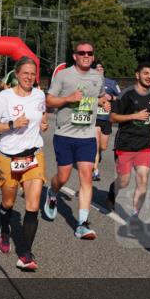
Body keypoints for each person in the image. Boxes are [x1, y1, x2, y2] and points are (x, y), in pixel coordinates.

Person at [0, 57, 49, 270]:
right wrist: (12, 124)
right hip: (8, 157)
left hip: (33, 155)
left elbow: (42, 113)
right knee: (8, 203)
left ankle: (25, 255)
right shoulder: (4, 97)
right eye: (25, 73)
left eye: (32, 74)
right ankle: (4, 230)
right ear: (17, 74)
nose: (29, 77)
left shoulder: (39, 95)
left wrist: (43, 123)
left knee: (33, 205)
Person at [42, 41, 111, 239]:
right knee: (62, 177)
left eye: (89, 53)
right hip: (65, 134)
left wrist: (104, 103)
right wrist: (68, 98)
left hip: (87, 135)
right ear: (75, 56)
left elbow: (100, 97)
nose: (86, 56)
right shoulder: (64, 75)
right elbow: (49, 100)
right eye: (82, 53)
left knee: (86, 176)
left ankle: (82, 224)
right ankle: (52, 193)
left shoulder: (97, 77)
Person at [107, 61, 150, 226]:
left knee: (143, 179)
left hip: (144, 144)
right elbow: (112, 117)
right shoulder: (127, 94)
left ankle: (135, 215)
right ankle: (113, 191)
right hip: (125, 143)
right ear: (137, 75)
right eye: (145, 73)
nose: (149, 77)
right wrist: (134, 116)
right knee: (124, 181)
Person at [92, 61, 121, 182]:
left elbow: (121, 96)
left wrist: (112, 98)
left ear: (103, 70)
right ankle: (95, 170)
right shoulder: (90, 82)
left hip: (106, 119)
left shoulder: (111, 83)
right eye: (96, 68)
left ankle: (99, 153)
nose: (99, 69)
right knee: (95, 144)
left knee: (103, 146)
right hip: (94, 118)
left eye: (101, 67)